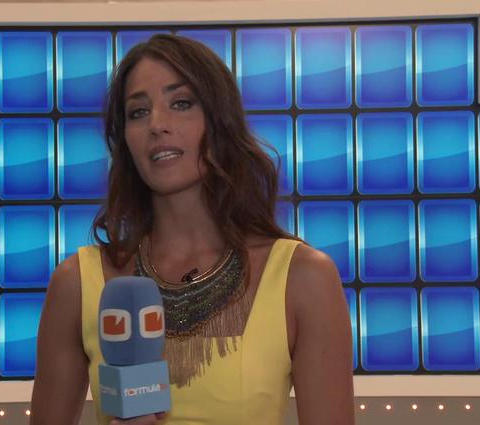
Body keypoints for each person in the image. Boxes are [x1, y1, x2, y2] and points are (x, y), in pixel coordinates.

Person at [31, 34, 354, 425]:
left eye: (181, 103)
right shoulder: (77, 283)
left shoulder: (303, 277)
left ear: (219, 121)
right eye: (138, 112)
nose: (157, 125)